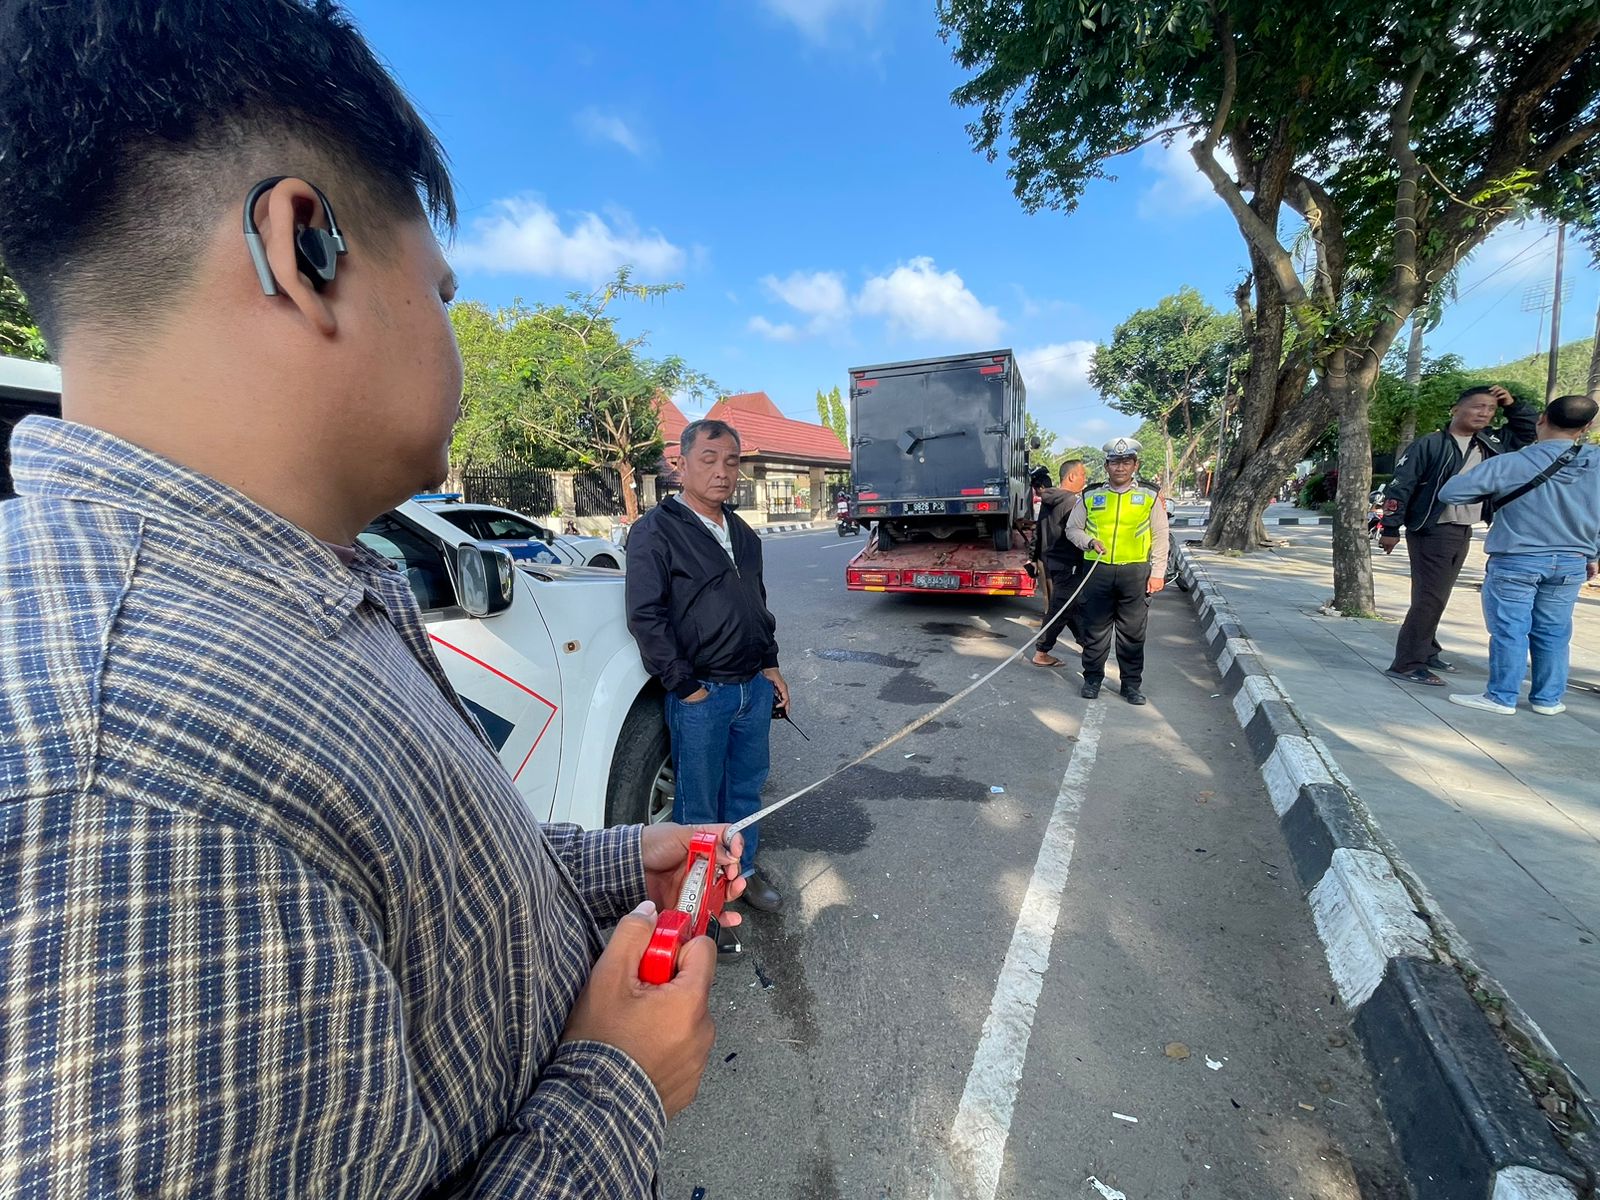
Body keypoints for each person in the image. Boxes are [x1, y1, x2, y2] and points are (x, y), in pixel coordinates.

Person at [0, 3, 742, 1193]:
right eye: (444, 293)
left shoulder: (297, 588)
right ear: (306, 250)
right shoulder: (125, 787)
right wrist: (621, 1084)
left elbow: (412, 888)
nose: (454, 332)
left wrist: (621, 862)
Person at [626, 419, 789, 915]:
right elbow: (645, 616)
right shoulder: (655, 531)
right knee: (697, 808)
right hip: (702, 695)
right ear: (681, 464)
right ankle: (697, 898)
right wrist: (685, 685)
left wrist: (770, 665)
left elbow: (755, 603)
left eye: (731, 461)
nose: (722, 472)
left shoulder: (741, 532)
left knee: (745, 790)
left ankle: (746, 872)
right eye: (709, 460)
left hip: (751, 691)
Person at [1432, 394, 1600, 715]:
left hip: (1517, 558)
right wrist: (1593, 551)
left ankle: (1501, 696)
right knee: (1554, 630)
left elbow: (1451, 492)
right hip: (1572, 561)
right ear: (1587, 426)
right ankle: (1548, 699)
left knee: (1510, 628)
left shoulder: (1512, 463)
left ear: (1542, 419)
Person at [1380, 384, 1536, 684]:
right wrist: (1390, 527)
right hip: (1432, 528)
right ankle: (1408, 663)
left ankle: (1427, 650)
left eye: (1491, 409)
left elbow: (1527, 433)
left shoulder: (1490, 443)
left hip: (1462, 528)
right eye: (1478, 406)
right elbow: (1401, 485)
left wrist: (1513, 405)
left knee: (1437, 594)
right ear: (1455, 408)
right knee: (1430, 596)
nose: (1485, 413)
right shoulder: (1431, 443)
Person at [1065, 438, 1170, 704]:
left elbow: (1160, 535)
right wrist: (1088, 542)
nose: (1120, 467)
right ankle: (1092, 679)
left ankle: (1131, 686)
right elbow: (1072, 529)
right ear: (1106, 466)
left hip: (1134, 572)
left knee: (1132, 633)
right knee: (1095, 631)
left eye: (1125, 462)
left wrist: (1158, 572)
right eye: (1114, 462)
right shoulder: (1091, 495)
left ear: (1135, 464)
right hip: (1097, 571)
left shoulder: (1149, 495)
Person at [1033, 458, 1089, 667]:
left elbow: (1037, 532)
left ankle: (1087, 643)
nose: (1085, 478)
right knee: (1061, 608)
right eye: (1083, 474)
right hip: (1068, 562)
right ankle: (1041, 651)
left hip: (1051, 560)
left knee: (1072, 606)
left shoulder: (1049, 499)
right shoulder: (1072, 503)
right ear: (1072, 476)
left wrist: (1033, 558)